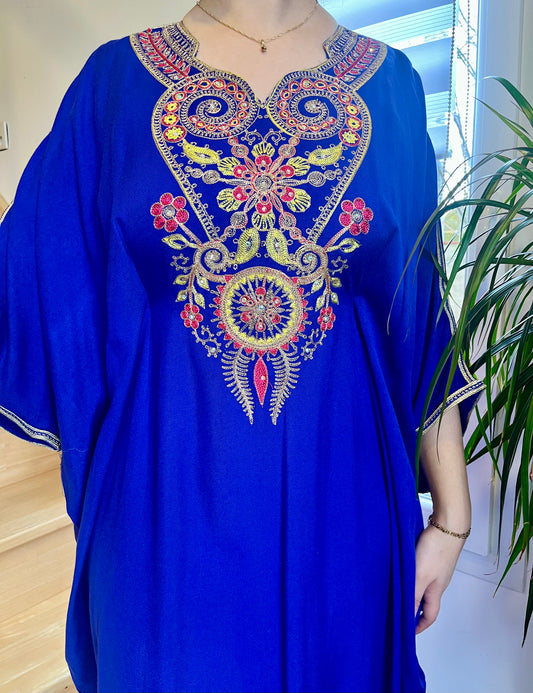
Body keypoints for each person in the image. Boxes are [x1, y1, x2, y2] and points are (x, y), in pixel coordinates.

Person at [0, 1, 484, 691]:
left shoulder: (393, 86)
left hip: (343, 520)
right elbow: (41, 281)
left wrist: (452, 520)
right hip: (160, 522)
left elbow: (419, 317)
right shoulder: (112, 85)